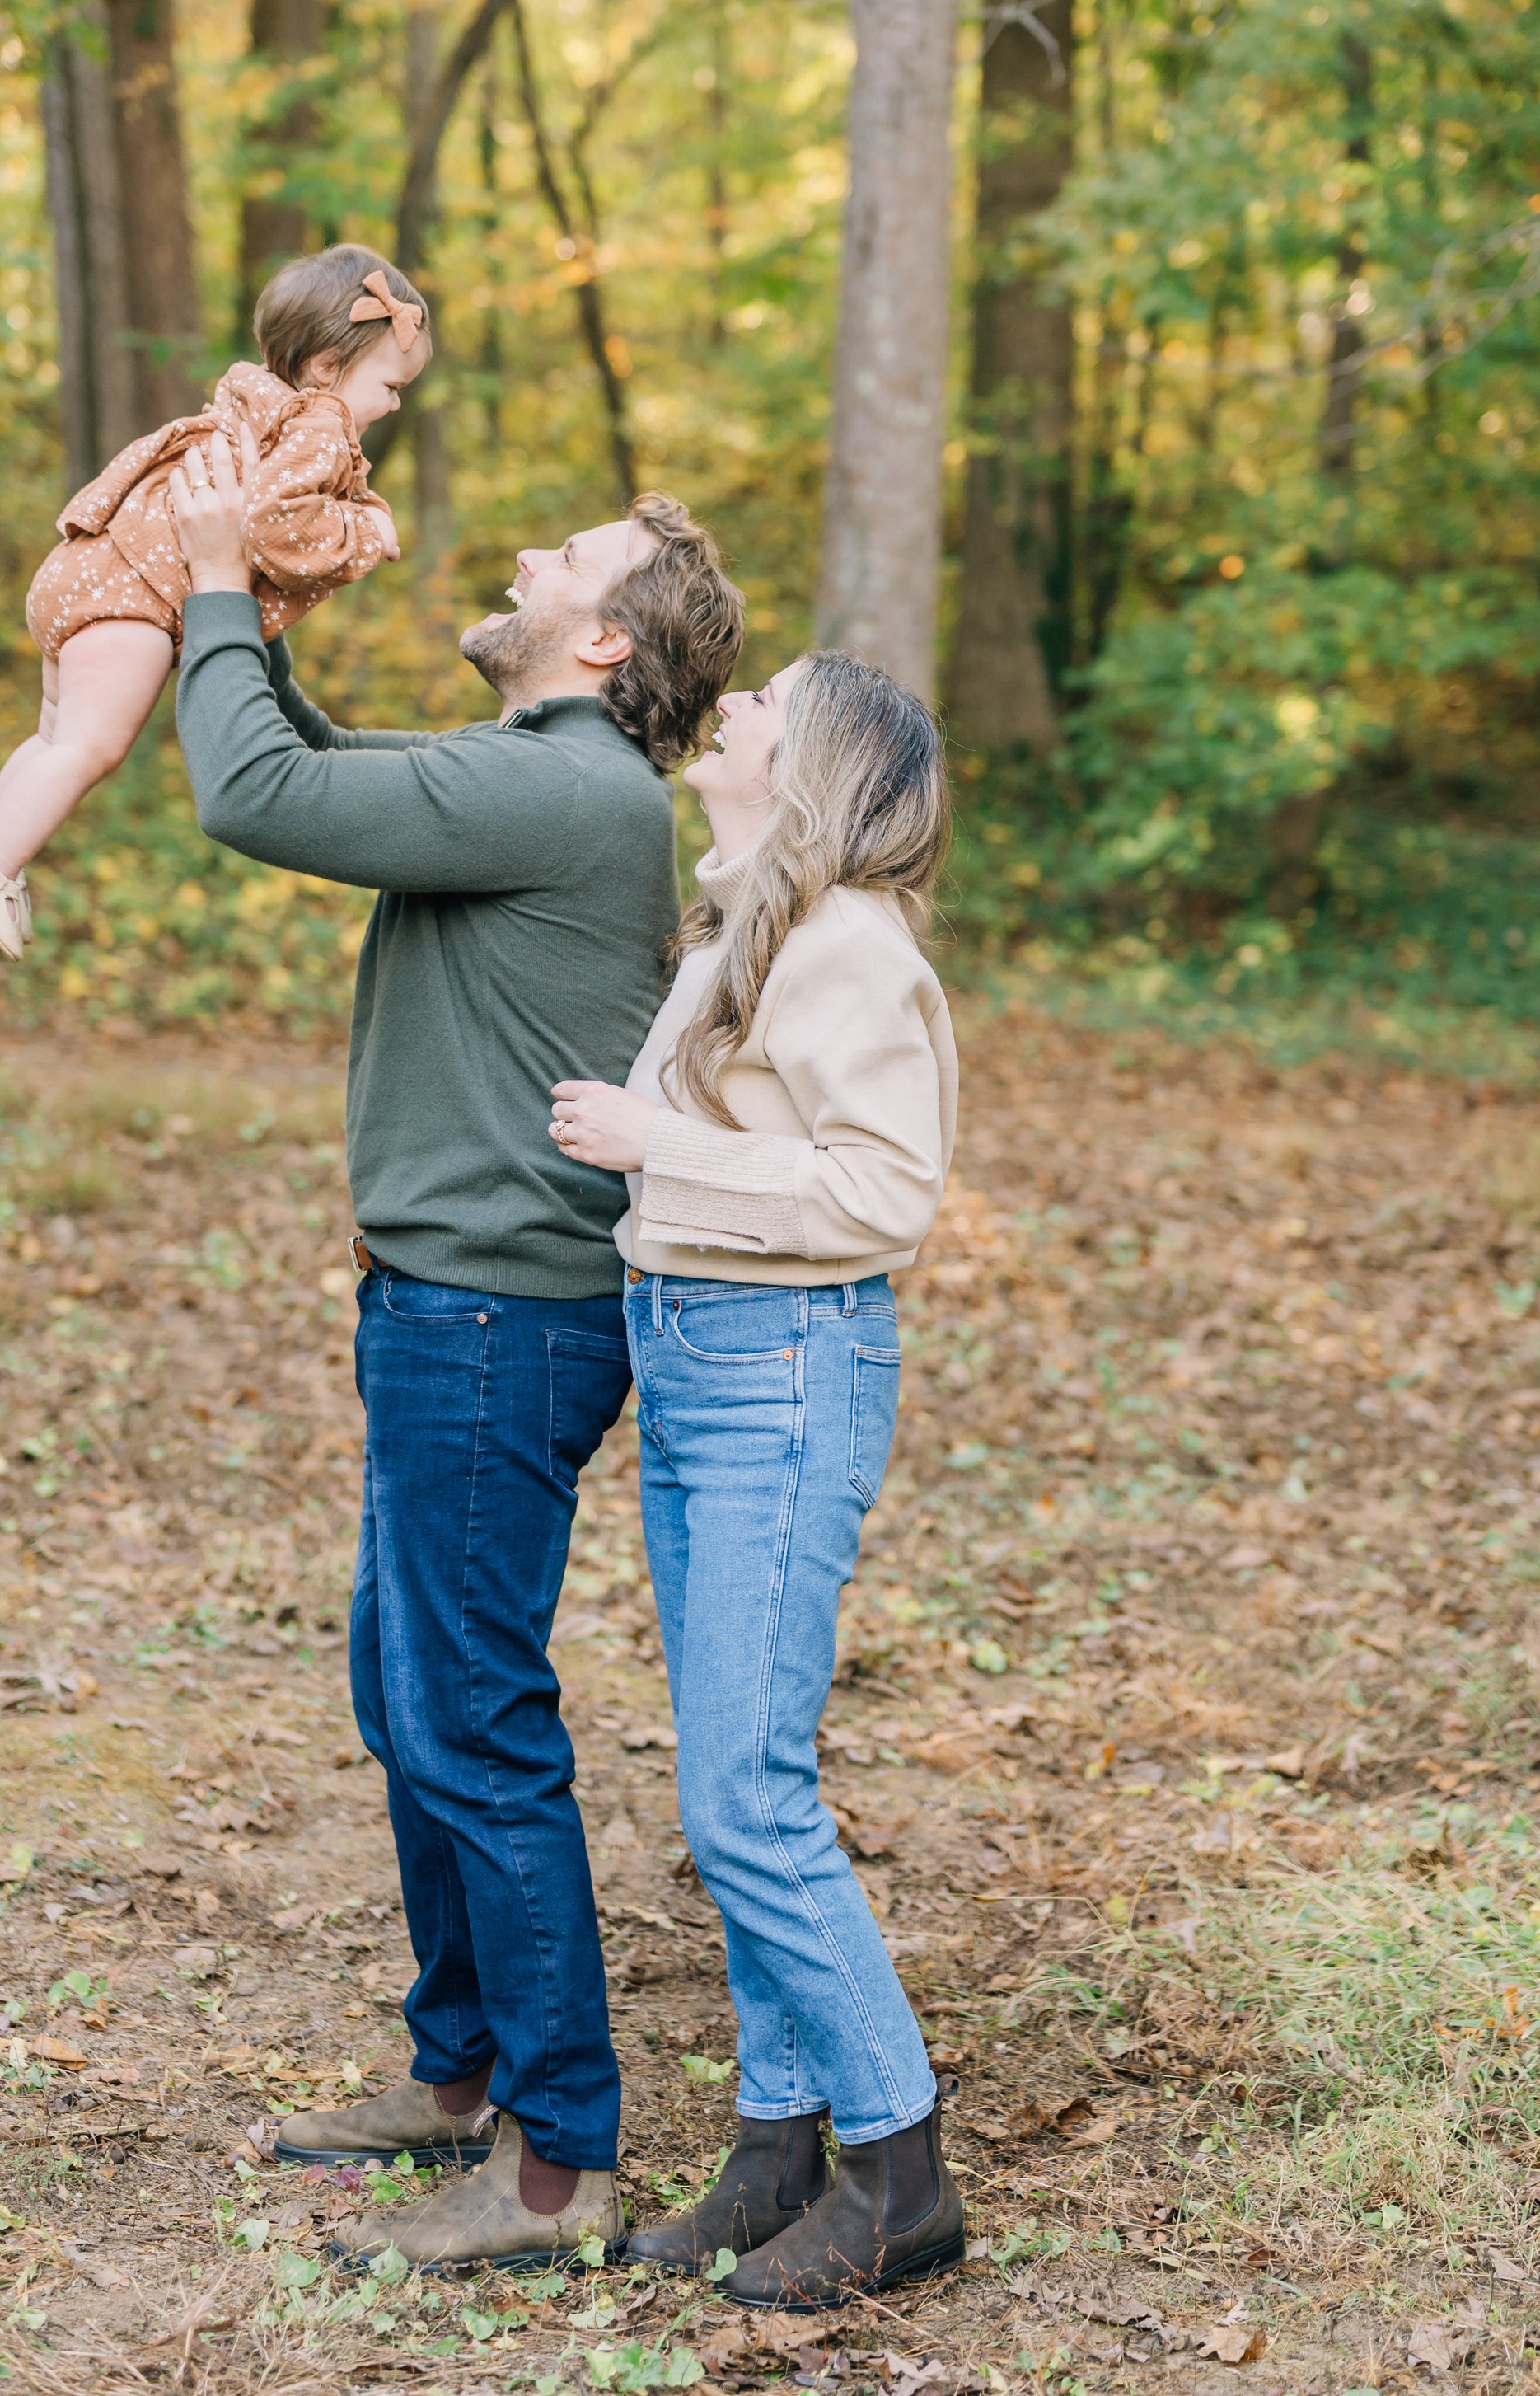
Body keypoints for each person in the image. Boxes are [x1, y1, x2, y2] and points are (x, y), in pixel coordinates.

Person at [166, 446, 743, 2272]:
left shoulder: (565, 794)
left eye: (556, 554)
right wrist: (249, 625)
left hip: (496, 1321)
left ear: (597, 638)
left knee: (470, 1720)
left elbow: (254, 790)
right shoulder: (536, 781)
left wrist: (194, 592)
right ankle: (460, 2071)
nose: (515, 552)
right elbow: (333, 771)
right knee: (403, 1692)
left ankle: (558, 2160)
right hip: (454, 1308)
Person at [547, 650, 962, 2307]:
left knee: (741, 1794)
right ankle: (774, 2148)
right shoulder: (742, 931)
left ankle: (898, 2164)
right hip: (696, 1359)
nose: (731, 706)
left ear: (823, 762)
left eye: (767, 700)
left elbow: (887, 1190)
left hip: (781, 1375)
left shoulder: (850, 945)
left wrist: (669, 1150)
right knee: (737, 1776)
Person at [0, 246, 429, 960]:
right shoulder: (321, 424)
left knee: (54, 735)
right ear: (328, 368)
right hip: (132, 597)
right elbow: (274, 528)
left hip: (83, 569)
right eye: (391, 385)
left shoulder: (257, 395)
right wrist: (365, 531)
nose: (394, 403)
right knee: (89, 745)